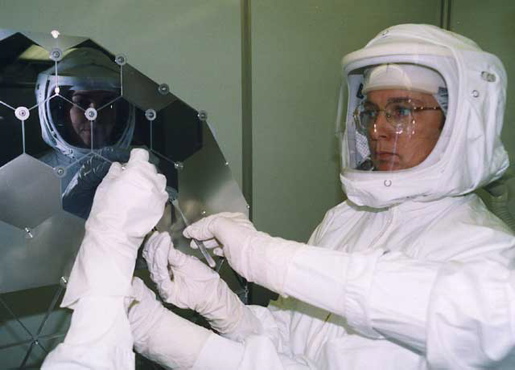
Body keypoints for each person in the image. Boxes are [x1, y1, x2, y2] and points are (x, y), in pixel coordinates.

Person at [42, 24, 515, 369]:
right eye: (370, 112)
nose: (378, 131)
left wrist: (265, 257)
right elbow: (286, 346)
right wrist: (202, 310)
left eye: (403, 111)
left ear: (464, 123)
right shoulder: (348, 217)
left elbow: (477, 316)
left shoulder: (486, 254)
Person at [36, 47, 135, 218]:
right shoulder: (33, 177)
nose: (94, 115)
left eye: (108, 103)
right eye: (81, 101)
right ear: (60, 110)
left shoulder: (140, 164)